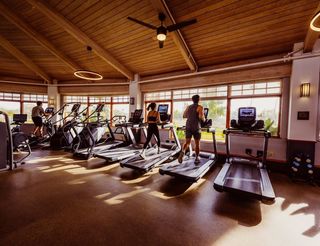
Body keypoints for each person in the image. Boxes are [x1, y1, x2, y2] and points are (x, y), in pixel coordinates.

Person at [178, 95, 205, 164]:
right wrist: (204, 119)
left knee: (187, 142)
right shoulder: (200, 107)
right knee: (197, 143)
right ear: (199, 100)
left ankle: (182, 152)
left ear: (192, 100)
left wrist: (190, 115)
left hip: (188, 126)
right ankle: (196, 158)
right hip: (196, 126)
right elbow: (200, 117)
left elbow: (184, 116)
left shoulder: (188, 107)